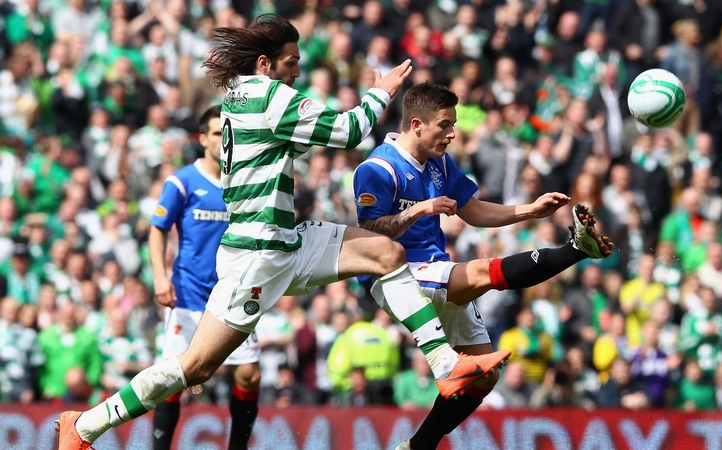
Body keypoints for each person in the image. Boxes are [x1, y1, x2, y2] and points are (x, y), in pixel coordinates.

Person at [56, 15, 510, 450]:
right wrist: (379, 92)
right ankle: (87, 425)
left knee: (384, 253)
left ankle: (445, 363)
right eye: (291, 61)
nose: (298, 70)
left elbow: (299, 138)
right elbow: (349, 130)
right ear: (264, 64)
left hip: (285, 241)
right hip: (257, 255)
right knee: (195, 366)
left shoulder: (239, 99)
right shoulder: (270, 98)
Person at [351, 82, 613, 450]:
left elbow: (472, 210)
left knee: (483, 377)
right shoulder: (378, 168)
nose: (452, 133)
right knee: (479, 272)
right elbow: (369, 229)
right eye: (444, 124)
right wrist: (419, 209)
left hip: (436, 269)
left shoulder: (440, 161)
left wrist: (530, 210)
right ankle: (576, 249)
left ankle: (418, 446)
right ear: (416, 124)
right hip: (395, 275)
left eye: (453, 124)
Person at [148, 105, 262, 450]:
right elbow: (158, 229)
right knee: (173, 378)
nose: (223, 139)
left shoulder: (244, 182)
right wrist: (159, 276)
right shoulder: (183, 181)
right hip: (189, 294)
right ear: (203, 139)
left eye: (227, 133)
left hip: (234, 295)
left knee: (249, 374)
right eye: (216, 133)